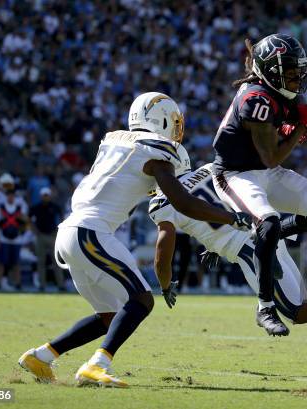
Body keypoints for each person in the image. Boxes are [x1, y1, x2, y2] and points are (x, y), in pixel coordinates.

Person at [18, 92, 252, 388]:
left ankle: (41, 356)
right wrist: (230, 218)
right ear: (162, 119)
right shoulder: (158, 151)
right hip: (92, 231)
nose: (178, 129)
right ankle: (96, 365)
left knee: (110, 316)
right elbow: (182, 202)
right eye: (174, 122)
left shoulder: (114, 141)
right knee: (141, 299)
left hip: (69, 231)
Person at [149, 162, 307, 375]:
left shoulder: (162, 200)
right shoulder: (208, 168)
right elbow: (230, 202)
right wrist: (216, 245)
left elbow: (163, 252)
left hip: (249, 249)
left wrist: (164, 284)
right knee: (306, 303)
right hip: (265, 234)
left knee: (297, 312)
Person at [212, 33, 307, 336]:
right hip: (235, 174)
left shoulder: (275, 88)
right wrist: (300, 130)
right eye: (291, 73)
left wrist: (294, 128)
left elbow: (271, 155)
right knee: (267, 221)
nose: (297, 80)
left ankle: (268, 238)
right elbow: (271, 156)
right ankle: (265, 307)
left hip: (264, 170)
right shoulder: (256, 99)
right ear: (270, 71)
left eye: (299, 72)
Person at [0, 184, 29, 291]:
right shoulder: (0, 207)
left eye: (12, 195)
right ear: (6, 196)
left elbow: (26, 222)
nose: (10, 197)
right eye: (9, 195)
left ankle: (18, 283)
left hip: (16, 239)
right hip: (3, 239)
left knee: (16, 263)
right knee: (1, 262)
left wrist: (22, 217)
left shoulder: (19, 208)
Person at [29, 186, 64, 291]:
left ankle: (60, 285)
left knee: (57, 262)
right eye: (44, 195)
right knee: (41, 262)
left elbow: (62, 218)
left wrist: (58, 230)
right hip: (41, 236)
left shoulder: (55, 206)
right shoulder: (36, 207)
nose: (45, 197)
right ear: (41, 196)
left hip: (53, 236)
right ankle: (42, 285)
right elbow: (29, 219)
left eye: (47, 195)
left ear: (50, 196)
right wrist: (35, 231)